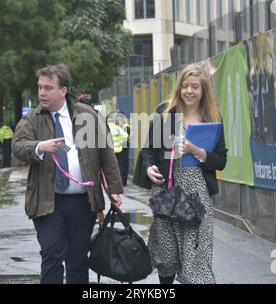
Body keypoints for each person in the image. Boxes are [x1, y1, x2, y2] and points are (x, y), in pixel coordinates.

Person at [12, 64, 123, 284]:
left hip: (83, 201)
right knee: (52, 253)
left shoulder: (87, 115)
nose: (42, 93)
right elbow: (17, 147)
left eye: (48, 88)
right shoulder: (32, 119)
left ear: (63, 90)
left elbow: (106, 154)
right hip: (47, 201)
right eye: (40, 87)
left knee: (77, 259)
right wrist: (39, 146)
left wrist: (114, 191)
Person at [140, 63, 227, 284]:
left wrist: (195, 150)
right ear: (179, 88)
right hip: (167, 190)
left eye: (195, 87)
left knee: (196, 255)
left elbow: (221, 160)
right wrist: (149, 167)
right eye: (185, 86)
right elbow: (148, 150)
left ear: (203, 90)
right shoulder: (165, 114)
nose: (189, 91)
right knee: (166, 253)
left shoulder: (212, 120)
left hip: (197, 195)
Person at [107, 112, 129, 186]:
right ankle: (120, 182)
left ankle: (119, 182)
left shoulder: (125, 127)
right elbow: (125, 136)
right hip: (119, 150)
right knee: (118, 166)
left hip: (116, 151)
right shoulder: (117, 128)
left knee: (117, 166)